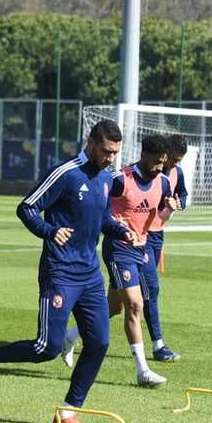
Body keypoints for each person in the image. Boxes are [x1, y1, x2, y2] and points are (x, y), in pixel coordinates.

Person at [0, 120, 135, 423]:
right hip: (60, 271)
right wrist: (50, 231)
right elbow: (27, 208)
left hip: (90, 274)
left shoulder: (106, 177)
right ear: (91, 142)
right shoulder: (65, 173)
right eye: (107, 151)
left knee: (99, 343)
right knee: (47, 348)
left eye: (115, 153)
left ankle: (68, 412)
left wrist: (122, 231)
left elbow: (102, 217)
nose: (111, 158)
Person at [62, 134, 177, 388]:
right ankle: (142, 371)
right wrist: (116, 224)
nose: (159, 167)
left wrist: (169, 208)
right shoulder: (119, 179)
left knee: (114, 308)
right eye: (156, 162)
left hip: (142, 248)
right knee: (135, 304)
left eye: (163, 163)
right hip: (118, 248)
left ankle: (70, 336)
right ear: (144, 155)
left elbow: (159, 218)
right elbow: (97, 206)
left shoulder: (163, 182)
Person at [143, 134, 189, 362]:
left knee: (118, 303)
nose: (174, 164)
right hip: (139, 237)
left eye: (179, 160)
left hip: (157, 235)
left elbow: (183, 193)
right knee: (151, 289)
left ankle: (71, 335)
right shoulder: (147, 171)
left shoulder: (176, 173)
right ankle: (158, 345)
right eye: (174, 159)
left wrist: (179, 203)